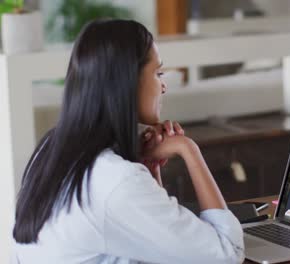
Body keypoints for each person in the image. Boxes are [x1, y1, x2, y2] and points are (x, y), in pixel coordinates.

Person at [12, 19, 244, 264]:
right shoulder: (116, 179)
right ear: (127, 82)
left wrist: (151, 169)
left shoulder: (51, 149)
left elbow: (158, 246)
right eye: (158, 73)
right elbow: (227, 253)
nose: (163, 86)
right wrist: (189, 150)